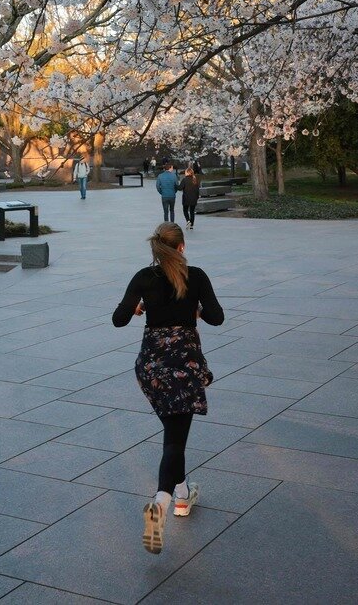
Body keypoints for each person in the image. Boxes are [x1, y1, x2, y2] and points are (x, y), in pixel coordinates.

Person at [112, 223, 224, 555]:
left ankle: (183, 495)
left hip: (151, 366)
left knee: (173, 431)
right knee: (175, 440)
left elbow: (118, 319)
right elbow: (217, 318)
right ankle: (160, 503)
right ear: (182, 248)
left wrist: (136, 308)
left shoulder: (144, 277)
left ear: (156, 249)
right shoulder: (197, 276)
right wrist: (198, 310)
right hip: (184, 364)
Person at [179, 164, 201, 230]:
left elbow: (180, 188)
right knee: (192, 211)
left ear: (187, 172)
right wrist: (197, 197)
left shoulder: (185, 180)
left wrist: (175, 186)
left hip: (186, 198)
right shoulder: (195, 180)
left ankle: (188, 221)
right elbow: (197, 190)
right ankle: (192, 225)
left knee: (185, 210)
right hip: (194, 198)